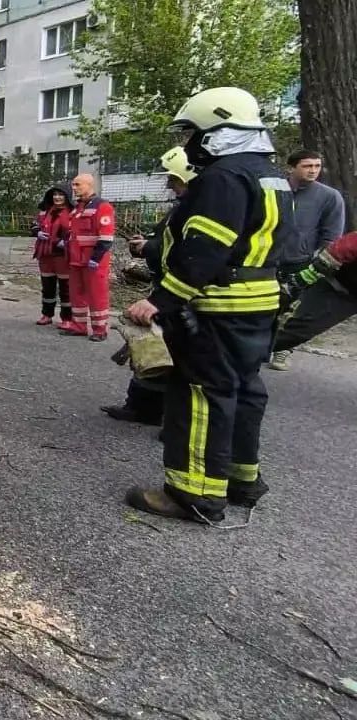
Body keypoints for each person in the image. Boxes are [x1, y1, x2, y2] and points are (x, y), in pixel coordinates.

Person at [124, 87, 295, 523]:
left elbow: (204, 250)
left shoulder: (221, 179)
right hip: (258, 305)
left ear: (216, 131)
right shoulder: (270, 175)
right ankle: (241, 479)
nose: (189, 145)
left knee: (201, 394)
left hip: (217, 306)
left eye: (193, 135)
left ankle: (194, 494)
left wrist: (159, 301)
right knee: (244, 389)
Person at [101, 146, 199, 426]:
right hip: (168, 287)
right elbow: (168, 242)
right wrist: (146, 244)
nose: (169, 183)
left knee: (166, 354)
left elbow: (189, 251)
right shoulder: (184, 207)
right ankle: (143, 408)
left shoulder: (199, 208)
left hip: (180, 293)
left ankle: (169, 417)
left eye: (173, 178)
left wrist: (149, 247)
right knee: (151, 349)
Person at [268, 149, 348, 370]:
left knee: (293, 313)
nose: (313, 170)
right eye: (307, 166)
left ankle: (283, 350)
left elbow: (332, 237)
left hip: (302, 264)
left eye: (317, 166)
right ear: (291, 167)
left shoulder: (330, 197)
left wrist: (316, 264)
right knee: (266, 308)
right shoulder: (274, 191)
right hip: (267, 261)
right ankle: (258, 347)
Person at [275, 231, 357, 352]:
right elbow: (345, 247)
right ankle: (245, 353)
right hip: (341, 288)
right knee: (296, 333)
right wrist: (314, 271)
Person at [64, 174, 116, 341]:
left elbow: (106, 237)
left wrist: (96, 258)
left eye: (77, 184)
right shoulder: (78, 208)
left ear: (89, 185)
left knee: (97, 295)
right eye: (73, 184)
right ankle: (79, 326)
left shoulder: (102, 206)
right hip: (75, 260)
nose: (74, 188)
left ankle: (100, 330)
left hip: (94, 260)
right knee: (76, 294)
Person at [30, 184, 74, 327]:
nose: (57, 197)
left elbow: (75, 231)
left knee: (65, 288)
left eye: (60, 194)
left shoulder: (73, 213)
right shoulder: (44, 211)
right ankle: (46, 314)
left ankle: (67, 319)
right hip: (46, 254)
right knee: (47, 286)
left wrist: (65, 241)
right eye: (55, 194)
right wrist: (38, 232)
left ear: (67, 197)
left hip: (63, 254)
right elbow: (34, 224)